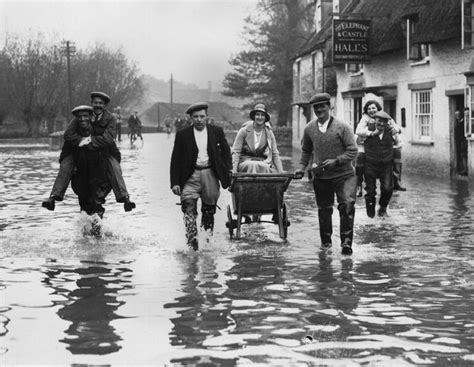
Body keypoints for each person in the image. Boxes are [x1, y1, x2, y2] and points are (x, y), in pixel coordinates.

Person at [42, 91, 135, 212]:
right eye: (95, 103)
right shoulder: (84, 115)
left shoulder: (110, 118)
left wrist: (89, 142)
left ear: (105, 105)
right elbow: (68, 134)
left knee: (115, 167)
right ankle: (53, 197)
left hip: (105, 151)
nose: (98, 105)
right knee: (66, 166)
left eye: (100, 103)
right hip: (81, 152)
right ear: (91, 104)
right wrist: (80, 141)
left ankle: (125, 198)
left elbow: (108, 138)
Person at [294, 93, 357, 255]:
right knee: (324, 209)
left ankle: (346, 244)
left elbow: (353, 151)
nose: (320, 109)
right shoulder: (309, 129)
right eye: (316, 107)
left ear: (330, 107)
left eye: (323, 106)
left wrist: (336, 161)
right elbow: (306, 151)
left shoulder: (342, 127)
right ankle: (326, 244)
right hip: (321, 177)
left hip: (344, 175)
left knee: (347, 206)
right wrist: (301, 167)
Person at [170, 102, 232, 251]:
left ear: (207, 117)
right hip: (189, 177)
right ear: (191, 118)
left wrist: (227, 169)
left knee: (209, 211)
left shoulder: (216, 131)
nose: (199, 119)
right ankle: (192, 246)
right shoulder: (183, 135)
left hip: (210, 174)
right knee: (188, 210)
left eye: (202, 116)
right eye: (196, 117)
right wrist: (175, 182)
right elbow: (175, 159)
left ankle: (206, 244)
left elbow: (226, 152)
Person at [362, 110, 400, 217]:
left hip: (386, 165)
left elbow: (398, 143)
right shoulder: (367, 130)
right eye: (379, 121)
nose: (382, 124)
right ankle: (370, 217)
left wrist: (396, 132)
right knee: (370, 191)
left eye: (384, 121)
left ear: (387, 122)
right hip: (370, 164)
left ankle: (382, 209)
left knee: (388, 188)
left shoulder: (391, 131)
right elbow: (358, 140)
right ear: (375, 120)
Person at [231, 103, 283, 174]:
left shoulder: (269, 133)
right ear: (254, 116)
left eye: (262, 115)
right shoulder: (244, 131)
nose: (260, 117)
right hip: (245, 162)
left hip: (261, 162)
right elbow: (236, 152)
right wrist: (234, 171)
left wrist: (281, 173)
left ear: (265, 118)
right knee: (252, 165)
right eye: (257, 114)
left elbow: (275, 154)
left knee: (266, 167)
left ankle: (262, 184)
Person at [355, 100, 381, 197]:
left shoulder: (382, 117)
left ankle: (394, 182)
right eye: (369, 108)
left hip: (377, 145)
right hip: (364, 144)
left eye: (373, 108)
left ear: (378, 108)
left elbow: (392, 125)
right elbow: (358, 131)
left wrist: (397, 129)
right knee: (360, 159)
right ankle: (358, 185)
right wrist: (370, 131)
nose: (371, 110)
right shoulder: (365, 118)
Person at [454, 110, 468, 175]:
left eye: (458, 114)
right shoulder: (458, 121)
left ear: (461, 114)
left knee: (464, 155)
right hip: (459, 141)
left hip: (463, 140)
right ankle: (463, 169)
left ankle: (466, 170)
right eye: (456, 115)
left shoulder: (463, 121)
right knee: (462, 155)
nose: (457, 116)